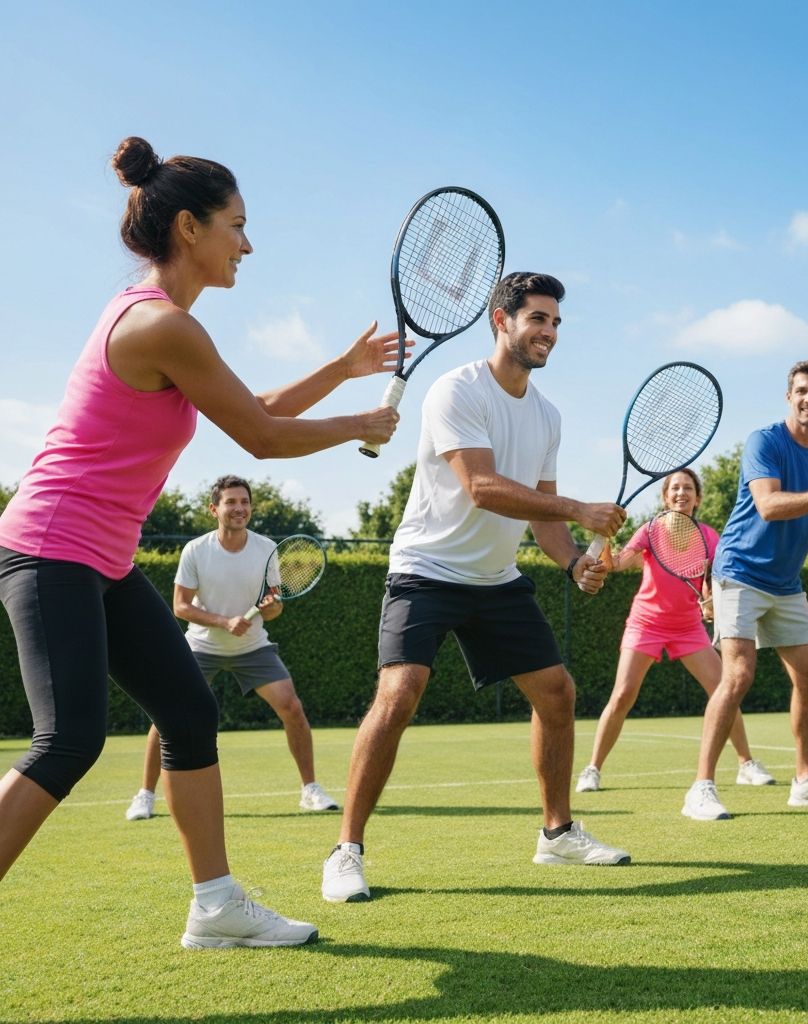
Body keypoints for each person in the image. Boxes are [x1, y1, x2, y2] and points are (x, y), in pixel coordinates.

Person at [0, 136, 402, 948]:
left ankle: (216, 906)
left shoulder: (161, 320)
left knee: (187, 711)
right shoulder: (161, 324)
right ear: (190, 227)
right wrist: (358, 424)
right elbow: (261, 436)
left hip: (98, 558)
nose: (247, 245)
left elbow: (252, 406)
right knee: (68, 739)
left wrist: (342, 369)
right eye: (237, 226)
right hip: (50, 548)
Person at [321, 271, 631, 904]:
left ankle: (557, 834)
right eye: (537, 318)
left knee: (557, 693)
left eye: (555, 322)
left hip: (496, 580)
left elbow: (543, 516)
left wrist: (573, 561)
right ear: (502, 320)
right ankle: (346, 850)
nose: (549, 332)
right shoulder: (456, 389)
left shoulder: (547, 416)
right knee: (399, 694)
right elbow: (482, 487)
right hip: (425, 569)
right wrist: (581, 509)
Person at [682, 360, 808, 821]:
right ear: (789, 396)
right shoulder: (764, 441)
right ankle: (701, 789)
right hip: (739, 571)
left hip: (786, 583)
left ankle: (806, 782)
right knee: (738, 675)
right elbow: (768, 505)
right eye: (802, 390)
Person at [125, 475, 339, 822]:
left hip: (253, 646)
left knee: (292, 706)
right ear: (214, 509)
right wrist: (224, 622)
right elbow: (181, 606)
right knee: (167, 715)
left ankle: (310, 790)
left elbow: (274, 605)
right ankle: (145, 795)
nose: (239, 508)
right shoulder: (196, 550)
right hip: (201, 645)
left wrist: (272, 607)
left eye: (244, 502)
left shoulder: (267, 548)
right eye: (231, 502)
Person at [575, 469, 775, 797]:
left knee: (724, 690)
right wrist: (605, 538)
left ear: (698, 498)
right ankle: (592, 768)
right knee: (622, 695)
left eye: (688, 488)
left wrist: (711, 601)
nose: (681, 493)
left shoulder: (709, 536)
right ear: (666, 497)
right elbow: (617, 564)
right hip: (645, 624)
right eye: (675, 488)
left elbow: (713, 578)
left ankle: (746, 764)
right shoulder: (650, 530)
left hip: (688, 627)